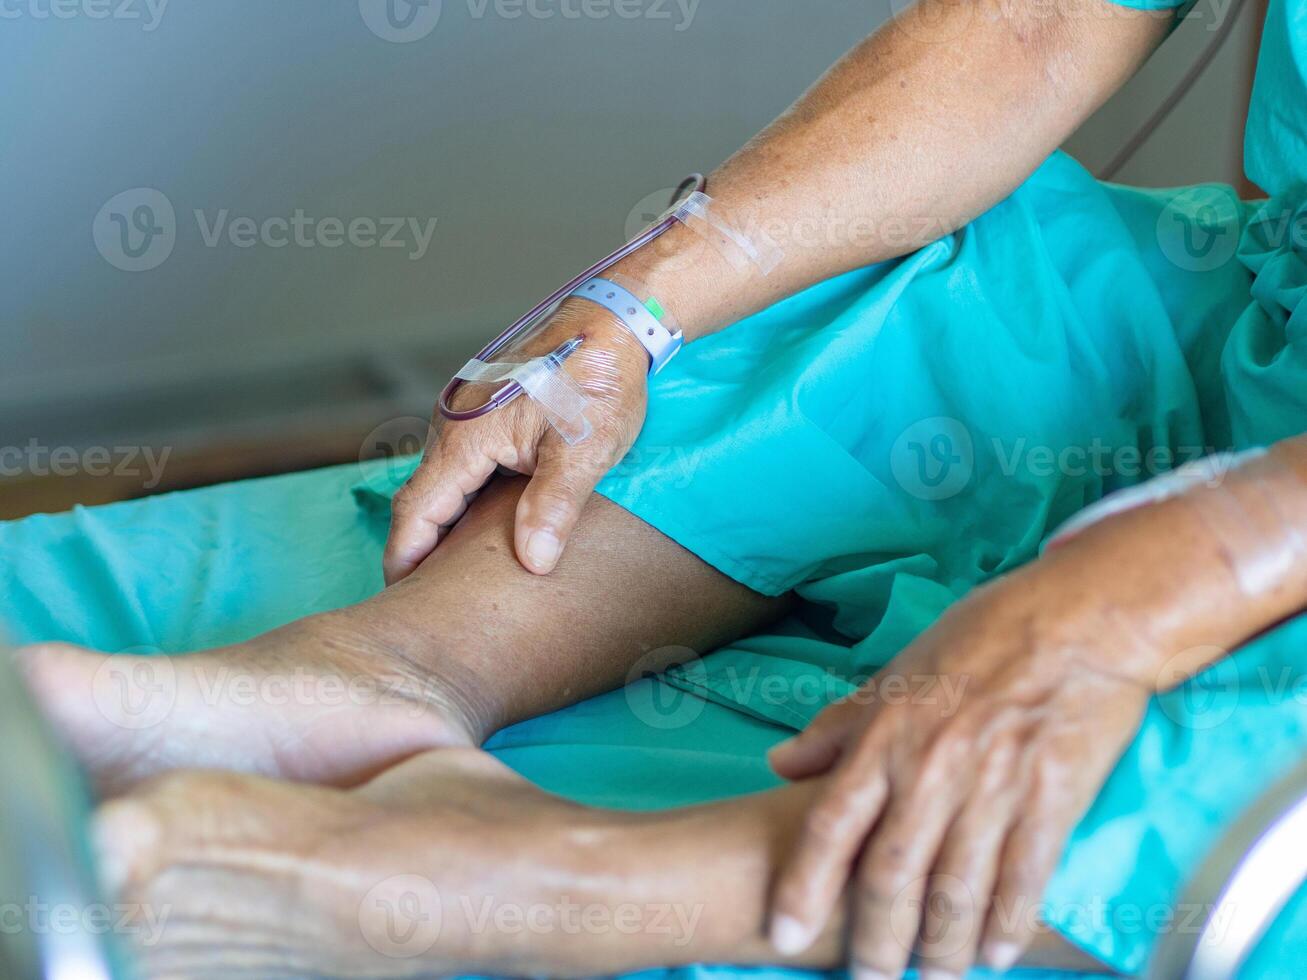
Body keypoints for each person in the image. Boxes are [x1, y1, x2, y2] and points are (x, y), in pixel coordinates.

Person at [13, 0, 1307, 973]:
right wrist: (636, 311)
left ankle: (551, 877)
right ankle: (386, 675)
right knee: (975, 273)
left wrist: (1135, 595)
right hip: (1266, 334)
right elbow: (1040, 23)